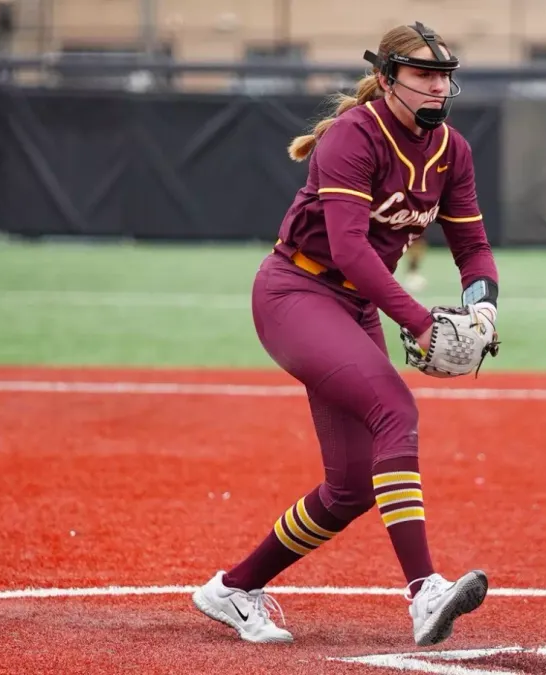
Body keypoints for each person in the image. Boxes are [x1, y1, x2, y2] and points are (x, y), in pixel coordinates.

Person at [191, 21, 500, 647]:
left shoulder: (453, 151)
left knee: (353, 486)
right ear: (387, 79)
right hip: (295, 293)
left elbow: (473, 247)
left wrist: (483, 309)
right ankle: (424, 594)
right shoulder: (354, 136)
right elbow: (351, 252)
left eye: (444, 76)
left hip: (354, 305)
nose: (438, 88)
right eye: (422, 75)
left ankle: (231, 590)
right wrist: (421, 321)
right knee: (395, 407)